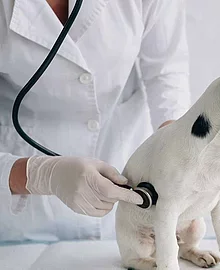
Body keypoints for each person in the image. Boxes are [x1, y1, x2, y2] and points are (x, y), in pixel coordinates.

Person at [0, 0, 191, 242]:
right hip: (22, 213)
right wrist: (39, 176)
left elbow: (165, 72)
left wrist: (184, 154)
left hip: (124, 189)